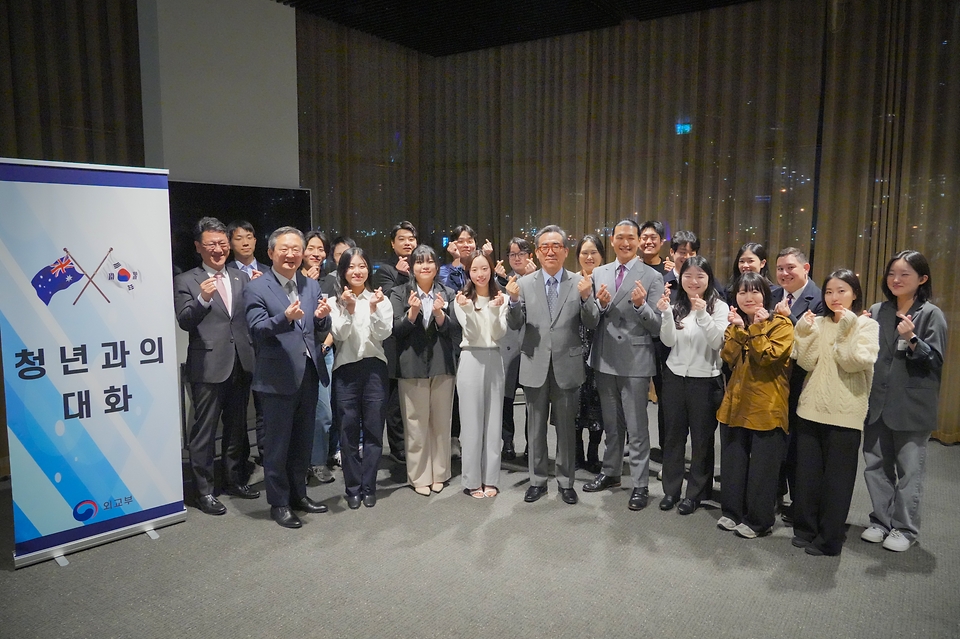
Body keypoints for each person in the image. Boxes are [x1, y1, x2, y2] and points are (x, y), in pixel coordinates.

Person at [244, 226, 332, 529]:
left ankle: (299, 495)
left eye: (297, 249)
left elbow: (318, 330)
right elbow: (256, 330)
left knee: (302, 442)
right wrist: (285, 318)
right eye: (285, 249)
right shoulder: (257, 287)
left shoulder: (310, 285)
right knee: (278, 445)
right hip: (276, 377)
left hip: (308, 373)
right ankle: (279, 503)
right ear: (271, 253)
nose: (292, 254)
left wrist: (323, 318)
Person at [506, 225, 599, 505]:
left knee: (566, 429)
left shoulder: (579, 282)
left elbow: (592, 321)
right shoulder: (522, 284)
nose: (550, 251)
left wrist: (586, 299)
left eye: (556, 246)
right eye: (544, 246)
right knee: (535, 428)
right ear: (537, 252)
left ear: (565, 251)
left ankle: (565, 481)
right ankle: (537, 480)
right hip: (534, 363)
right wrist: (512, 301)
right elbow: (514, 324)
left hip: (566, 366)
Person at [861, 250, 947, 552]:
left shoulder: (931, 314)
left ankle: (905, 529)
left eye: (905, 274)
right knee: (875, 466)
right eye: (892, 273)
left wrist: (912, 339)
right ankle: (880, 521)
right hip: (877, 402)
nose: (896, 279)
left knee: (910, 470)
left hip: (912, 405)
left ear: (921, 279)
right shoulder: (877, 310)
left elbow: (935, 361)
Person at [174, 217, 258, 516]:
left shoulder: (242, 277)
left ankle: (234, 479)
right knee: (204, 431)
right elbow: (185, 321)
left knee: (237, 428)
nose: (219, 250)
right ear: (199, 247)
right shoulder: (186, 280)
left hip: (241, 362)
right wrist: (203, 298)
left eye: (223, 244)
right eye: (212, 244)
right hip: (208, 365)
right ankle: (204, 491)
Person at [791, 269, 879, 556]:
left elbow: (854, 361)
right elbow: (805, 361)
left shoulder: (866, 325)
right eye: (829, 291)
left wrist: (846, 329)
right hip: (811, 408)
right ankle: (805, 529)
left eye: (842, 290)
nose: (834, 297)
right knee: (807, 476)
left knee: (837, 482)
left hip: (846, 413)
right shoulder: (817, 321)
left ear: (855, 293)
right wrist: (803, 333)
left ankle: (830, 540)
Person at [583, 220, 664, 511]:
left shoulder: (652, 276)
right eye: (620, 238)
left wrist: (642, 306)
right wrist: (600, 305)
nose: (626, 243)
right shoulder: (600, 272)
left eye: (631, 238)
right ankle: (611, 471)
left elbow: (657, 327)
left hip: (635, 362)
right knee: (611, 424)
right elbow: (590, 319)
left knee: (637, 426)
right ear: (613, 240)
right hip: (605, 358)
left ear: (639, 242)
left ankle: (640, 483)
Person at [716, 271, 793, 539]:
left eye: (755, 291)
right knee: (734, 461)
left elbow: (766, 357)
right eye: (742, 292)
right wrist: (738, 328)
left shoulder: (781, 325)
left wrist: (757, 328)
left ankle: (760, 521)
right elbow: (728, 357)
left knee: (763, 468)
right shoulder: (735, 325)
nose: (749, 297)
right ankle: (732, 512)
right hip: (735, 403)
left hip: (766, 406)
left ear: (766, 295)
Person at [656, 256, 728, 515]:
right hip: (675, 378)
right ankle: (671, 490)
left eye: (700, 276)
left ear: (708, 279)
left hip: (705, 380)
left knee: (701, 440)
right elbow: (667, 342)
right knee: (674, 436)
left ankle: (695, 493)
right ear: (681, 278)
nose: (693, 281)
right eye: (688, 276)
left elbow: (717, 342)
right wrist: (665, 314)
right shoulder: (677, 304)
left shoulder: (719, 307)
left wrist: (702, 314)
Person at [390, 245, 460, 496]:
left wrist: (441, 315)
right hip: (412, 366)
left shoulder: (449, 292)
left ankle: (440, 473)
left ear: (436, 266)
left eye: (430, 262)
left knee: (441, 422)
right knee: (416, 424)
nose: (425, 266)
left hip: (442, 364)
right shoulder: (399, 293)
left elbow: (455, 332)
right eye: (419, 262)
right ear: (412, 267)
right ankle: (419, 475)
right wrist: (413, 313)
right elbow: (395, 331)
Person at [328, 247, 393, 510]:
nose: (358, 271)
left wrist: (374, 308)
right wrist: (350, 309)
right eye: (352, 267)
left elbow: (384, 333)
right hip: (346, 372)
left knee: (375, 430)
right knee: (348, 431)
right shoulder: (335, 302)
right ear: (343, 271)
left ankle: (369, 486)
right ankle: (352, 487)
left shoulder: (380, 299)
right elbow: (340, 335)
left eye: (362, 266)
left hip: (375, 370)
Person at [772, 247, 825, 522]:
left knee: (798, 444)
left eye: (790, 267)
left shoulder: (818, 298)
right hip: (773, 381)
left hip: (802, 382)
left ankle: (799, 502)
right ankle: (775, 494)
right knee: (775, 440)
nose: (784, 273)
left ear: (805, 268)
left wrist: (787, 319)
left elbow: (814, 342)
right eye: (780, 268)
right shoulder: (771, 293)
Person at [455, 251, 508, 498]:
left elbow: (498, 334)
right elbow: (473, 333)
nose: (480, 274)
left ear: (491, 270)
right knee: (471, 423)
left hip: (494, 359)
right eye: (475, 269)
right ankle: (472, 480)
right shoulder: (461, 299)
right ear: (469, 273)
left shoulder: (502, 298)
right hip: (470, 358)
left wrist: (496, 311)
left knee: (493, 422)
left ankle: (491, 479)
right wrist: (467, 310)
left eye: (484, 268)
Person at [373, 221, 419, 465]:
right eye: (402, 239)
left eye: (411, 238)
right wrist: (402, 275)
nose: (407, 243)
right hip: (394, 341)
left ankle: (416, 444)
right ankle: (397, 447)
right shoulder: (385, 270)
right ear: (393, 243)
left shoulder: (420, 265)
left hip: (417, 340)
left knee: (415, 398)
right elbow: (389, 303)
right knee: (395, 401)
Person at [494, 237, 537, 460]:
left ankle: (533, 443)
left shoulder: (539, 279)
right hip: (508, 346)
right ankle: (507, 442)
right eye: (512, 254)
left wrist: (531, 279)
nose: (516, 258)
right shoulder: (502, 281)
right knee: (506, 398)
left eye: (521, 253)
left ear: (530, 255)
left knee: (532, 399)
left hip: (531, 346)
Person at [300, 230, 336, 485]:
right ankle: (299, 464)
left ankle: (318, 461)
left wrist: (326, 344)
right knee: (298, 412)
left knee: (324, 412)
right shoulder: (290, 280)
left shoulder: (330, 282)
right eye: (311, 248)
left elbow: (333, 319)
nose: (316, 253)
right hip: (297, 354)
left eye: (321, 249)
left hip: (324, 352)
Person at [574, 234, 605, 473]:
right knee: (574, 405)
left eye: (593, 252)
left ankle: (594, 452)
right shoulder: (570, 282)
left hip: (601, 353)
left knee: (597, 406)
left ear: (602, 256)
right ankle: (576, 452)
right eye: (584, 252)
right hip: (574, 352)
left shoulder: (608, 281)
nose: (589, 256)